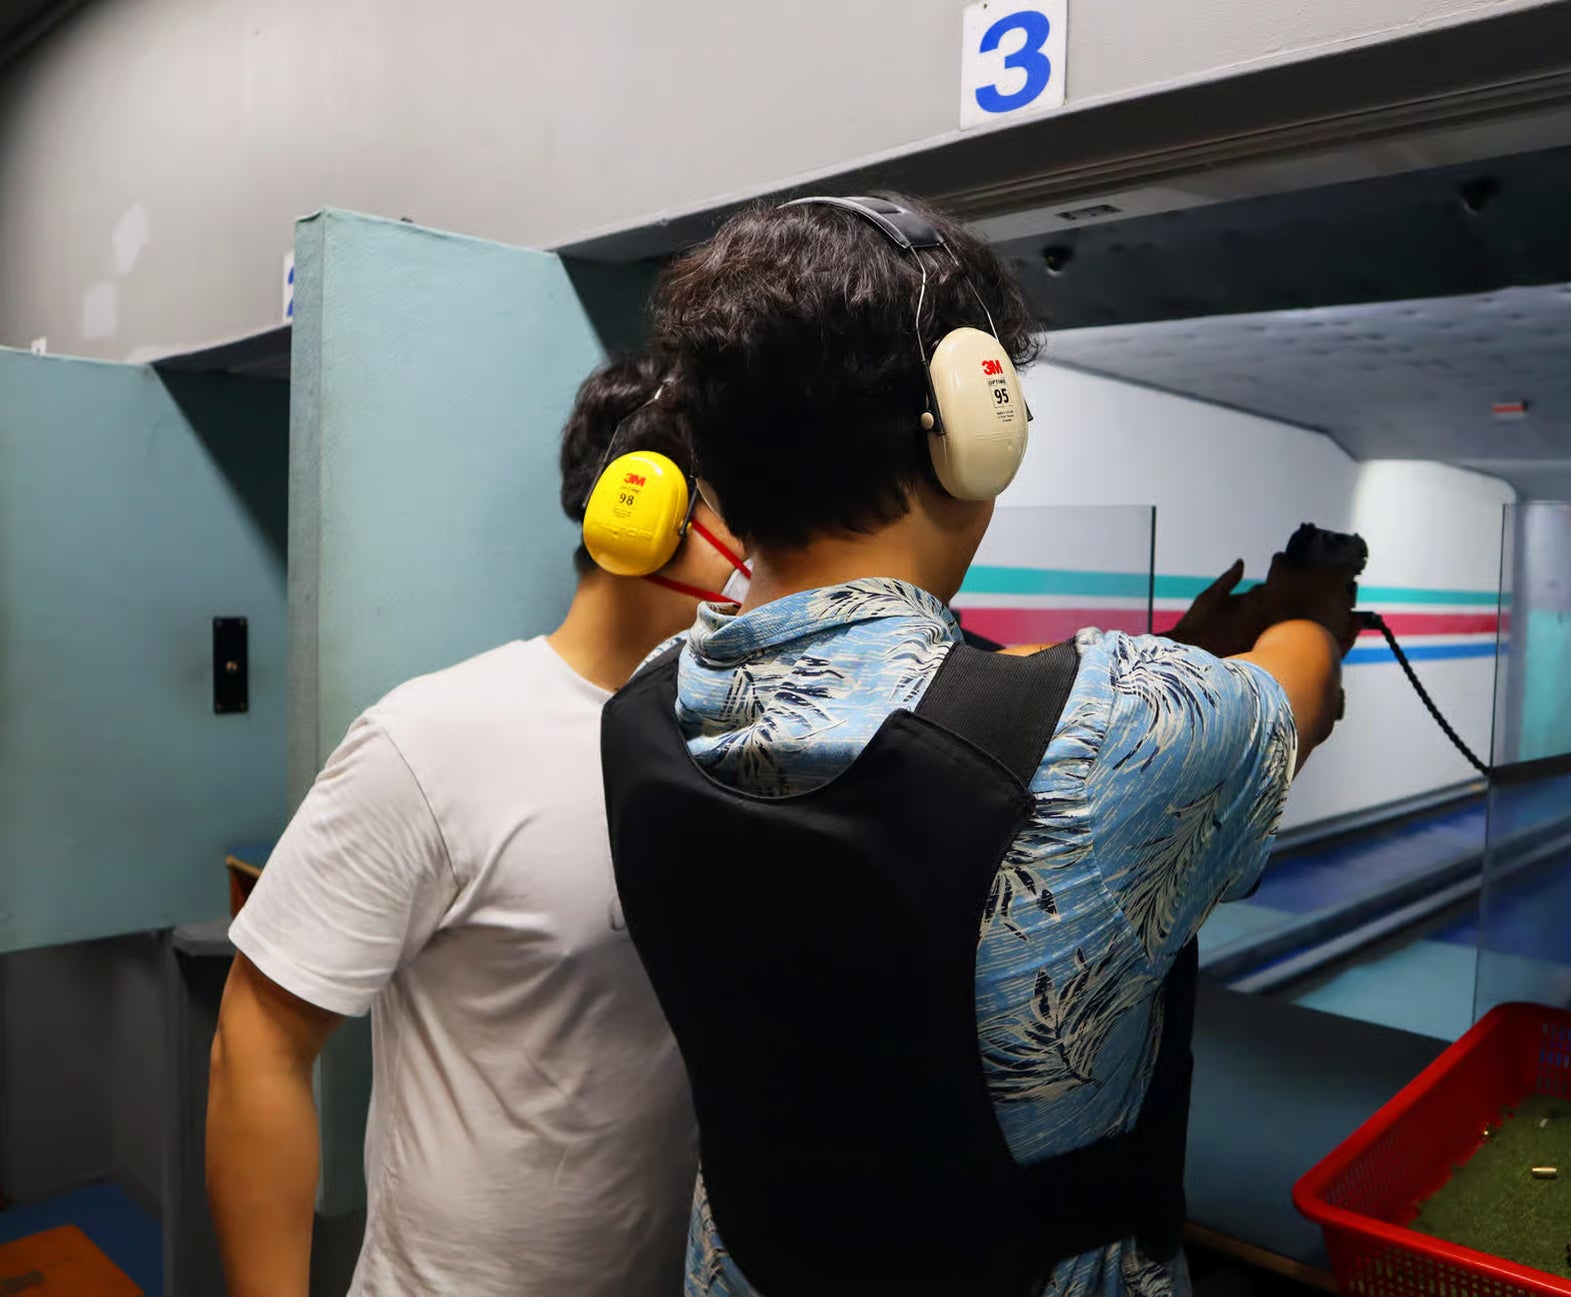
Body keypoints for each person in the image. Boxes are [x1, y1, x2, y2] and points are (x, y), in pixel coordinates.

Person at [601, 195, 1360, 1296]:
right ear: (973, 421)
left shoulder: (646, 700)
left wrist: (1178, 657)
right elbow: (1300, 692)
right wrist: (1308, 611)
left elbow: (966, 711)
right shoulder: (1114, 732)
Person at [206, 354, 738, 1297]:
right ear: (642, 508)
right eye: (752, 502)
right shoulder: (432, 740)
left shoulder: (747, 743)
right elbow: (259, 1039)